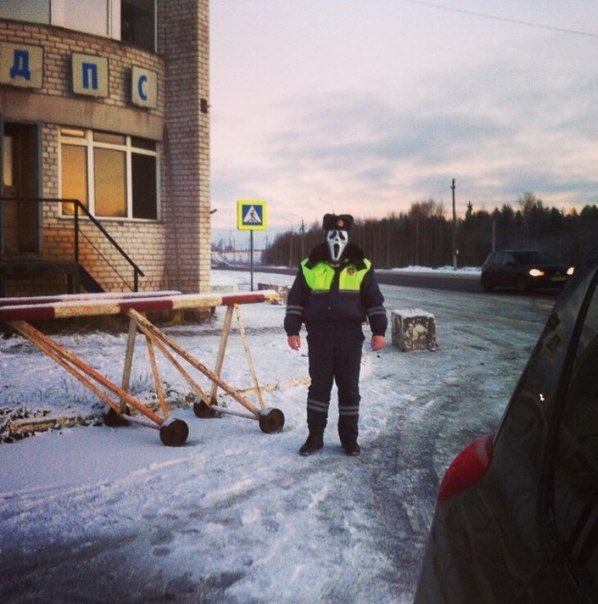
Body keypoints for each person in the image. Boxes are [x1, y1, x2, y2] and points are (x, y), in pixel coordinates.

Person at [284, 213, 387, 456]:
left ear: (348, 236)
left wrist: (379, 330)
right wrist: (292, 330)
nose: (337, 239)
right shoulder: (310, 265)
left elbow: (374, 301)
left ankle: (349, 439)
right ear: (325, 235)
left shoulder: (361, 265)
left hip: (349, 337)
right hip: (319, 337)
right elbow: (296, 300)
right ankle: (315, 437)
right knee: (319, 389)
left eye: (341, 234)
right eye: (332, 234)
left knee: (349, 389)